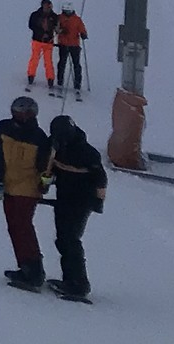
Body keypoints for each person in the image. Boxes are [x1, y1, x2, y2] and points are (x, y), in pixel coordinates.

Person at [0, 94, 53, 291]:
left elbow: (45, 166)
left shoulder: (39, 138)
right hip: (8, 185)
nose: (19, 117)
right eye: (17, 112)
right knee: (13, 227)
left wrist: (45, 182)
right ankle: (25, 266)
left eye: (24, 114)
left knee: (23, 226)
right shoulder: (4, 128)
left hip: (28, 188)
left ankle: (35, 270)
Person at [46, 112, 106, 302]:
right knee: (62, 240)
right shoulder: (55, 147)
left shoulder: (87, 152)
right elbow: (50, 169)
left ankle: (79, 283)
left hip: (81, 202)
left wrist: (98, 201)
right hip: (63, 199)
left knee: (71, 239)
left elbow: (101, 179)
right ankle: (69, 279)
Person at [26, 0, 60, 91]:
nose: (47, 7)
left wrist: (58, 30)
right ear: (42, 5)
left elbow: (57, 27)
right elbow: (31, 25)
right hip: (37, 40)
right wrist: (41, 33)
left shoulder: (54, 16)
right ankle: (31, 76)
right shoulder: (35, 15)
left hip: (48, 42)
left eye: (49, 5)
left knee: (48, 61)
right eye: (46, 5)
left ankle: (50, 79)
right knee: (34, 59)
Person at [54, 5, 87, 97]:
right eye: (65, 11)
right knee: (62, 64)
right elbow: (56, 28)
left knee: (76, 65)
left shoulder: (77, 19)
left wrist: (83, 34)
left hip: (74, 45)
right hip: (63, 44)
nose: (67, 13)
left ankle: (77, 84)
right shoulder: (59, 18)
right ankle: (60, 82)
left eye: (68, 11)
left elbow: (82, 28)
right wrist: (61, 30)